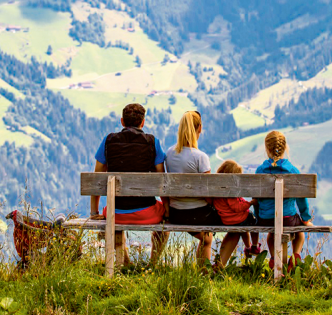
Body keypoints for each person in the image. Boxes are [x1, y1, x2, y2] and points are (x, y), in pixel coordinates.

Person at [91, 103, 169, 265]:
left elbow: (96, 179)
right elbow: (161, 180)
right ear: (143, 123)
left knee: (111, 212)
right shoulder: (153, 142)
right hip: (147, 212)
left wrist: (94, 212)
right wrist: (167, 211)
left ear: (122, 121)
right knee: (164, 222)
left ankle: (125, 262)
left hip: (116, 212)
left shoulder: (108, 141)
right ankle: (152, 264)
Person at [164, 111, 218, 264]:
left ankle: (203, 270)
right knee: (207, 238)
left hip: (175, 213)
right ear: (199, 128)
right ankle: (204, 271)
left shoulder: (169, 153)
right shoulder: (200, 157)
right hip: (199, 214)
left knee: (206, 236)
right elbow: (208, 192)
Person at [255, 130, 312, 271]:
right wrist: (305, 218)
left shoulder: (260, 171)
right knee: (299, 233)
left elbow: (256, 199)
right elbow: (301, 199)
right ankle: (296, 256)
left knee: (270, 237)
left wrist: (258, 216)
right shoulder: (292, 171)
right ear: (285, 148)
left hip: (265, 218)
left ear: (267, 149)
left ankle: (275, 258)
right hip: (288, 218)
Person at [211, 160, 262, 270]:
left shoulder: (218, 187)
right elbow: (237, 207)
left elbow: (236, 202)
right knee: (253, 220)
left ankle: (247, 248)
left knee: (242, 227)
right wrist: (250, 203)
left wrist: (243, 203)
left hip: (224, 219)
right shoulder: (230, 190)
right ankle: (253, 246)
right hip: (236, 218)